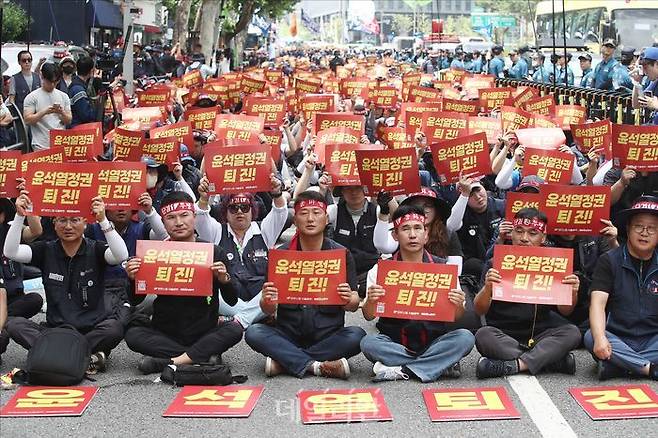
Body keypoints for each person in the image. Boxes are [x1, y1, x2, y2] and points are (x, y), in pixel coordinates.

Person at [244, 191, 365, 379]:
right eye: (304, 213)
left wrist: (348, 298)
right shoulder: (280, 255)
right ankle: (316, 365)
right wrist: (267, 301)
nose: (310, 219)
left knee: (357, 336)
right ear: (294, 220)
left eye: (316, 213)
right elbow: (267, 309)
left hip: (329, 335)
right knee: (254, 332)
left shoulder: (341, 253)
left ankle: (285, 362)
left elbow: (354, 303)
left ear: (326, 219)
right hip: (288, 334)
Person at [3, 194, 129, 373]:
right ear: (54, 224)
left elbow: (121, 255)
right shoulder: (45, 249)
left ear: (85, 223)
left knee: (113, 328)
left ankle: (56, 354)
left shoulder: (97, 249)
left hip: (91, 330)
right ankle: (88, 356)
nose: (68, 226)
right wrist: (19, 215)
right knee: (15, 325)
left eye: (75, 220)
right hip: (55, 331)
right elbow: (10, 251)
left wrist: (103, 220)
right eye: (62, 220)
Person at [124, 192, 243, 374]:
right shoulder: (153, 253)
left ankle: (169, 361)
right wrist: (132, 279)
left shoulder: (213, 252)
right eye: (171, 218)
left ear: (194, 217)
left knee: (234, 330)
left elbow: (233, 300)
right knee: (132, 334)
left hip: (203, 330)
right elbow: (135, 301)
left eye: (184, 215)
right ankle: (200, 357)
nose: (178, 222)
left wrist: (224, 280)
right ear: (163, 223)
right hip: (165, 332)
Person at [360, 205, 475, 382]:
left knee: (465, 338)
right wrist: (371, 301)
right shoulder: (380, 270)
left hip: (434, 341)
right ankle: (438, 365)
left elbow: (457, 316)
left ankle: (402, 370)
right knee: (368, 344)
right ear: (395, 235)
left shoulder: (443, 268)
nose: (412, 235)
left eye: (417, 228)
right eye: (405, 229)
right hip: (394, 342)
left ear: (426, 234)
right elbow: (368, 316)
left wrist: (458, 304)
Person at [473, 208, 582, 378]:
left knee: (572, 333)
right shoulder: (496, 262)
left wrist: (572, 292)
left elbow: (565, 311)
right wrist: (488, 288)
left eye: (533, 233)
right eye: (519, 231)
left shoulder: (554, 263)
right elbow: (480, 310)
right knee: (483, 335)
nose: (524, 238)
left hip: (541, 332)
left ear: (543, 238)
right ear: (512, 233)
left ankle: (516, 365)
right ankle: (550, 361)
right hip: (504, 333)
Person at [194, 174, 288, 328]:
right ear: (225, 211)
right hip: (229, 297)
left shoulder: (264, 230)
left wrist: (277, 193)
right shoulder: (217, 231)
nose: (239, 212)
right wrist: (204, 199)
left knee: (279, 285)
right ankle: (256, 316)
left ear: (253, 210)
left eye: (245, 207)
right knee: (207, 288)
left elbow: (280, 212)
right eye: (233, 207)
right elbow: (201, 217)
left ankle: (239, 320)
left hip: (260, 296)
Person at [584, 196, 658, 381]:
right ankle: (649, 369)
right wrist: (601, 338)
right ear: (627, 229)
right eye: (638, 226)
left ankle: (619, 366)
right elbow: (597, 304)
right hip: (618, 337)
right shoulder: (609, 260)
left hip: (653, 339)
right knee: (591, 336)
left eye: (651, 228)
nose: (644, 233)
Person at [446, 175, 505, 279]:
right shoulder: (461, 212)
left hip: (501, 258)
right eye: (471, 194)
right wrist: (465, 193)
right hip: (475, 263)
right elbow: (451, 226)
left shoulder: (502, 206)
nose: (478, 197)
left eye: (479, 190)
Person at [327, 185, 381, 298]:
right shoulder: (334, 211)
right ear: (341, 191)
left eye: (358, 188)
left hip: (368, 270)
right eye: (348, 189)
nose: (354, 192)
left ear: (365, 189)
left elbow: (396, 219)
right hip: (341, 270)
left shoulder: (377, 211)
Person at [0, 197, 44, 323]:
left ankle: (5, 320)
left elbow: (36, 231)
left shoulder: (11, 229)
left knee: (35, 300)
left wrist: (28, 204)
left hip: (14, 297)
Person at [22, 63, 72, 150]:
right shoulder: (32, 97)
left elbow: (68, 120)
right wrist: (44, 112)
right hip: (40, 144)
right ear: (42, 77)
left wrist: (61, 112)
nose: (52, 85)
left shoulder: (64, 96)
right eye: (49, 81)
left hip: (60, 144)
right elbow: (27, 120)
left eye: (55, 82)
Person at [67, 55, 98, 127]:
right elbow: (86, 115)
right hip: (78, 130)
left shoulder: (77, 84)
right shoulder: (78, 90)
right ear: (91, 71)